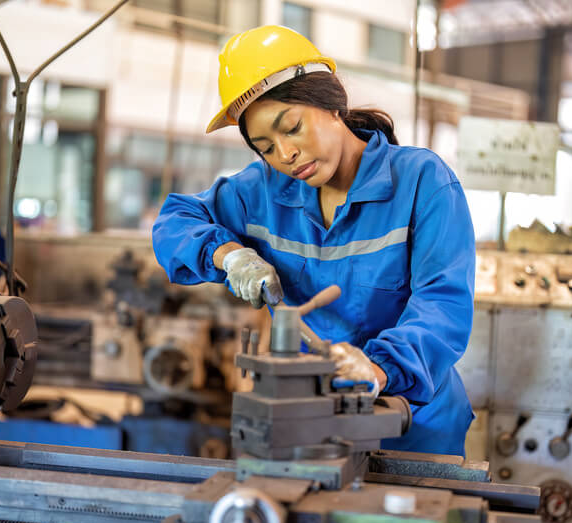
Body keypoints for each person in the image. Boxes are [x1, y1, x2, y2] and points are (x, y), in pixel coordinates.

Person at [152, 25, 475, 455]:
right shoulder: (263, 193)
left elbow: (443, 303)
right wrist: (227, 255)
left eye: (292, 127)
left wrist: (380, 366)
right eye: (265, 146)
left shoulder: (422, 182)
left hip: (413, 419)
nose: (285, 154)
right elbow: (175, 220)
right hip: (313, 416)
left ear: (332, 104)